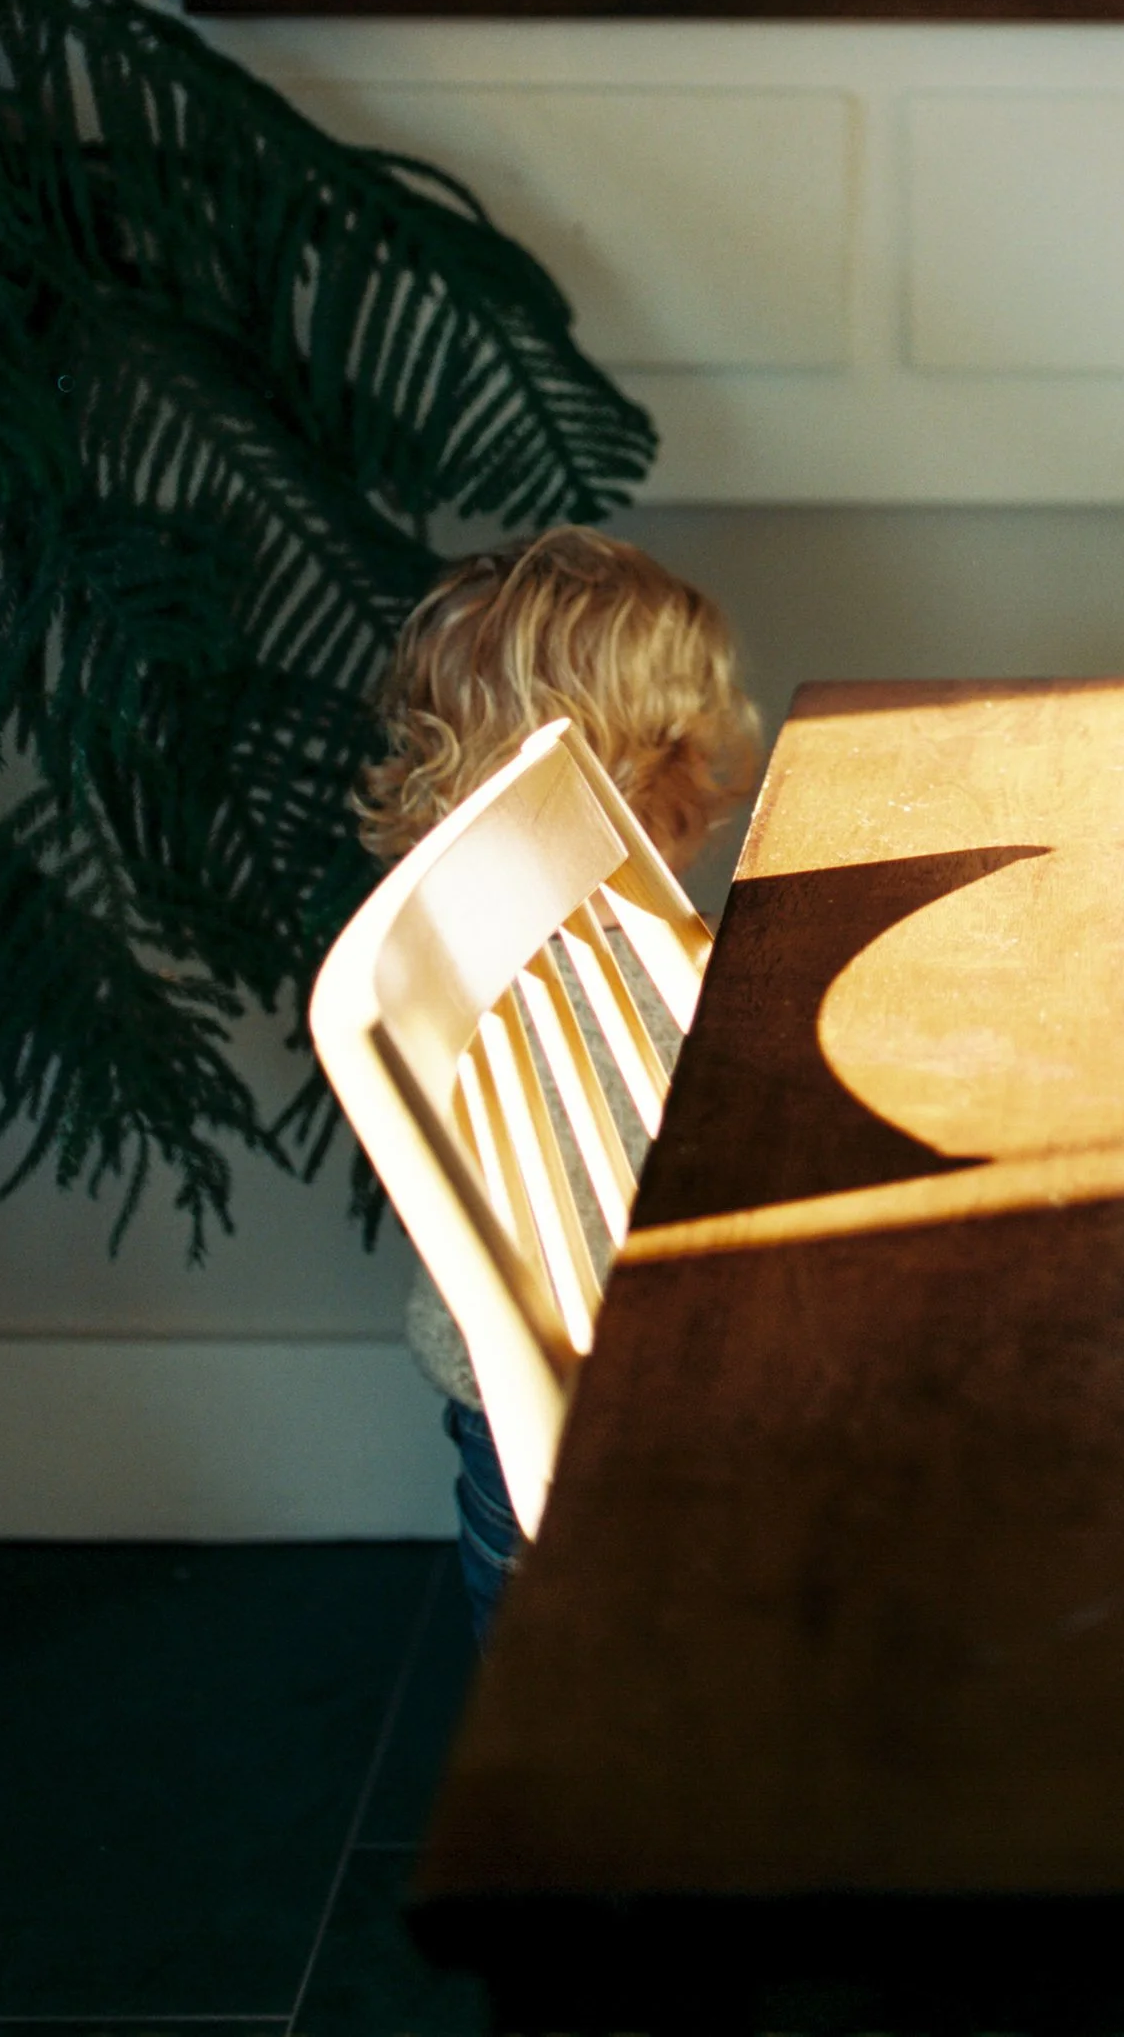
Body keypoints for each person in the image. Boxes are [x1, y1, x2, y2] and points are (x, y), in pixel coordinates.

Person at [354, 526, 760, 1638]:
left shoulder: (447, 947)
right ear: (646, 773)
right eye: (691, 749)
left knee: (524, 1649)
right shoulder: (620, 988)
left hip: (499, 1408)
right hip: (601, 1407)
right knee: (573, 1658)